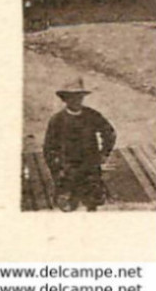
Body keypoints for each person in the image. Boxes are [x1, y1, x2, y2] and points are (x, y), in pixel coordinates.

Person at [43, 78, 116, 212]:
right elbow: (49, 148)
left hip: (90, 169)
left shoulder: (92, 115)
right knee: (68, 208)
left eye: (79, 97)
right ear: (65, 99)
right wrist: (57, 170)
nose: (76, 100)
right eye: (71, 97)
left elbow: (109, 133)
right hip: (68, 170)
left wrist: (103, 155)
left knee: (92, 205)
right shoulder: (57, 120)